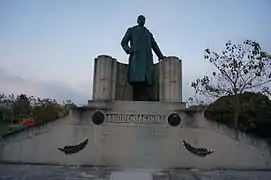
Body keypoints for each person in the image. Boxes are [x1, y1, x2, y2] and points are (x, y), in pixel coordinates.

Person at [121, 15, 165, 101]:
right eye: (140, 19)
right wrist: (129, 50)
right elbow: (123, 42)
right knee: (136, 79)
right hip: (136, 58)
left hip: (147, 59)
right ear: (137, 20)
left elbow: (154, 45)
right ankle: (136, 97)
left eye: (143, 20)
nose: (142, 21)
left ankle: (149, 98)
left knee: (147, 79)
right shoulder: (131, 30)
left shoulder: (148, 33)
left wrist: (160, 56)